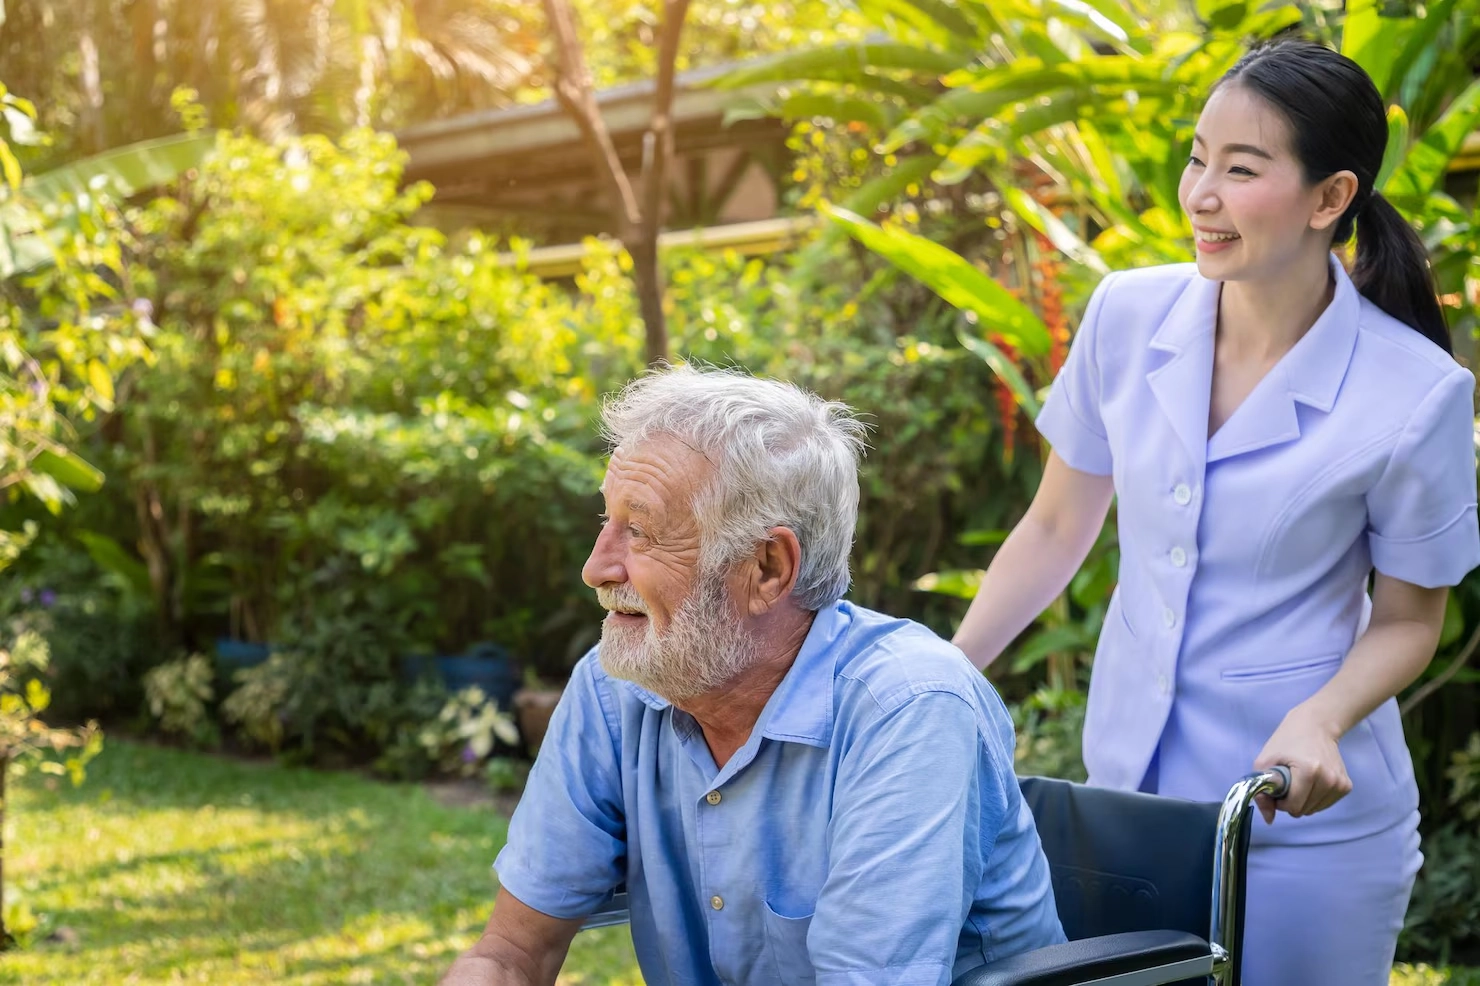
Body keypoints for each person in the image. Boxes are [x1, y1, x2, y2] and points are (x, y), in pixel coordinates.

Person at [950, 38, 1480, 986]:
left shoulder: (1415, 394)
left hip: (1302, 826)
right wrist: (946, 680)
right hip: (1126, 810)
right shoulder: (1125, 313)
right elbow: (1056, 527)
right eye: (1200, 157)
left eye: (1242, 169)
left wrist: (1322, 718)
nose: (1201, 192)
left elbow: (1412, 618)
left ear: (1331, 198)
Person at [440, 365, 1065, 986]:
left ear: (767, 568)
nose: (597, 567)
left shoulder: (910, 708)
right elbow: (511, 953)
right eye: (605, 523)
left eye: (642, 532)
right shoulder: (614, 689)